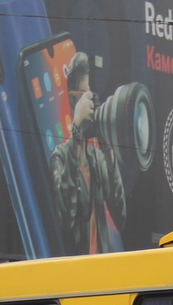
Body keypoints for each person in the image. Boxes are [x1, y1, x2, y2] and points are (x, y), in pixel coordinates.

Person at [50, 51, 127, 256]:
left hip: (102, 271)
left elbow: (120, 215)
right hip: (75, 274)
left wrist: (107, 144)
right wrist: (77, 131)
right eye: (82, 95)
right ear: (73, 101)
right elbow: (66, 217)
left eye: (90, 94)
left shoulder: (97, 158)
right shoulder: (60, 157)